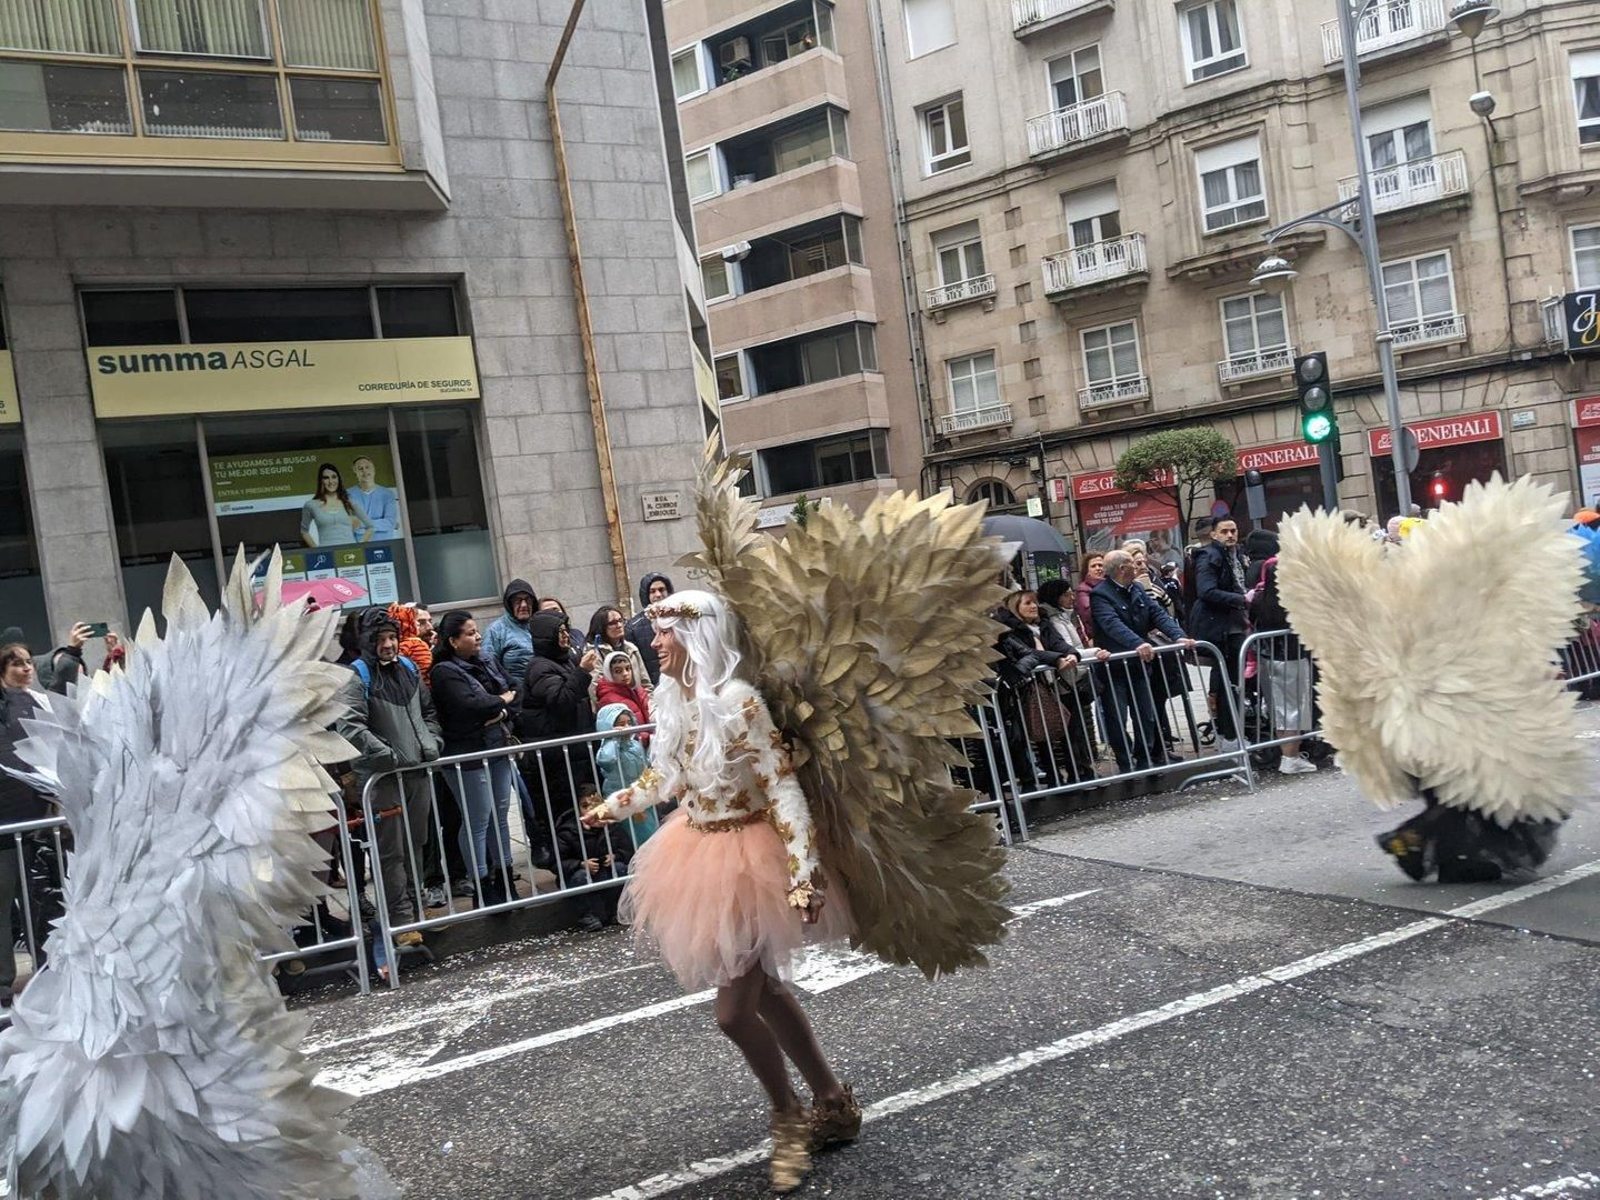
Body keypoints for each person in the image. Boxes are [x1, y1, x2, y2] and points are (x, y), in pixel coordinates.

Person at [583, 592, 857, 1192]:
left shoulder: (739, 702)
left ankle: (788, 1117)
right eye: (653, 634)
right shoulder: (675, 699)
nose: (653, 643)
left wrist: (805, 870)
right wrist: (615, 805)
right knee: (769, 992)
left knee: (735, 1012)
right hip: (698, 849)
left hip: (752, 863)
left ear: (698, 636)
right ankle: (832, 1100)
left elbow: (783, 789)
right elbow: (669, 777)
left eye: (664, 634)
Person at [1279, 478, 1582, 882]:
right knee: (1482, 792)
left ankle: (1432, 847)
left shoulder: (1395, 601)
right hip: (1433, 716)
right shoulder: (1400, 603)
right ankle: (1420, 841)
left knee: (1470, 791)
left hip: (1417, 715)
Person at [335, 609, 443, 976]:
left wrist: (432, 742)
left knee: (416, 844)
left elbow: (428, 711)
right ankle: (401, 922)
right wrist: (387, 756)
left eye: (391, 637)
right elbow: (349, 725)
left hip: (414, 772)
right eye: (380, 639)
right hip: (383, 780)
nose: (388, 644)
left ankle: (412, 915)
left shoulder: (409, 669)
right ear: (368, 641)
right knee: (390, 853)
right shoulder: (358, 676)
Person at [428, 611, 518, 904]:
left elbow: (515, 690)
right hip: (466, 753)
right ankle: (482, 884)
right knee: (478, 820)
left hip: (496, 746)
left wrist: (501, 708)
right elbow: (471, 706)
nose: (477, 636)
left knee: (500, 817)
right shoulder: (444, 671)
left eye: (476, 631)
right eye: (469, 633)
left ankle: (505, 877)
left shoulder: (486, 661)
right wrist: (499, 702)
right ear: (453, 641)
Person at [1091, 550, 1195, 774]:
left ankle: (1145, 757)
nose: (1139, 566)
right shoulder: (1101, 595)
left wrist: (1179, 635)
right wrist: (1137, 643)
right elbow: (1111, 624)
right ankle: (1125, 763)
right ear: (1121, 569)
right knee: (1117, 717)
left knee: (1146, 714)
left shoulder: (1137, 588)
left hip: (1139, 665)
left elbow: (1158, 614)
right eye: (1131, 562)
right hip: (1115, 668)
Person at [0, 643, 61, 1007]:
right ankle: (4, 983)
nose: (25, 669)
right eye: (16, 663)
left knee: (44, 901)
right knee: (5, 902)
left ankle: (52, 971)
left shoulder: (42, 703)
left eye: (28, 662)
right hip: (7, 828)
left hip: (40, 822)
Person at [993, 590, 1101, 784]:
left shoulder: (1044, 623)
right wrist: (1057, 659)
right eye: (1027, 603)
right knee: (1041, 736)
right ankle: (1049, 778)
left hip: (1057, 685)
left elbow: (1058, 643)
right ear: (1015, 607)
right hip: (1030, 689)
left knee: (1070, 729)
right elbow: (1030, 654)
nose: (1034, 606)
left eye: (1035, 602)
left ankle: (1079, 773)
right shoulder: (1011, 630)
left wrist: (1071, 654)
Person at [1248, 556, 1318, 775]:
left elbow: (1251, 619)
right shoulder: (1294, 601)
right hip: (1292, 656)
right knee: (1295, 708)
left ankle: (1289, 755)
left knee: (1280, 709)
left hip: (1268, 657)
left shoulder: (1260, 599)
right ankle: (1290, 757)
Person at [1187, 517, 1251, 751]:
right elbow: (1206, 591)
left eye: (1233, 530)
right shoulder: (1210, 556)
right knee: (1227, 683)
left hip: (1232, 624)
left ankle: (1232, 733)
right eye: (1224, 531)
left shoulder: (1234, 554)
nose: (1230, 535)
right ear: (1214, 534)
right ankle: (1229, 736)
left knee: (1231, 681)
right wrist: (1241, 599)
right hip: (1220, 627)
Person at [595, 703, 658, 848]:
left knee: (652, 833)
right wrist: (613, 738)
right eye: (621, 724)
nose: (627, 727)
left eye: (629, 723)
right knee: (639, 838)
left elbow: (646, 765)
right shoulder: (607, 748)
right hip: (621, 799)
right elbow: (607, 760)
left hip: (641, 794)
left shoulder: (635, 744)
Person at [300, 462, 374, 548]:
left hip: (351, 554)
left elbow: (370, 527)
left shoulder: (349, 502)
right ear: (321, 480)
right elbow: (304, 532)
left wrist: (359, 546)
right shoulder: (311, 505)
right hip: (327, 555)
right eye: (326, 478)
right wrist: (317, 551)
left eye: (334, 477)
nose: (331, 481)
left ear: (338, 479)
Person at [586, 605, 651, 696]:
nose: (619, 625)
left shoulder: (631, 648)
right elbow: (595, 688)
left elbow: (645, 683)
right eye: (613, 623)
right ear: (601, 627)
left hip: (639, 703)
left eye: (621, 621)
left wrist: (649, 705)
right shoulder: (595, 652)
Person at [484, 578, 538, 685]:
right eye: (518, 601)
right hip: (516, 694)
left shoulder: (540, 624)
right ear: (509, 604)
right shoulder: (496, 630)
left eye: (528, 600)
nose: (524, 605)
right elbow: (488, 666)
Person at [626, 572, 674, 685]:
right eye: (652, 591)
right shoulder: (633, 627)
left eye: (662, 590)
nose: (658, 595)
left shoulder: (680, 619)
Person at [594, 650, 652, 734]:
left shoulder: (637, 691)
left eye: (628, 669)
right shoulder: (609, 700)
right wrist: (645, 738)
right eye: (618, 671)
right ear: (609, 674)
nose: (625, 674)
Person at [350, 455, 401, 540]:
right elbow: (350, 525)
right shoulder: (348, 494)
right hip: (359, 546)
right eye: (360, 469)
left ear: (373, 469)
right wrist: (381, 524)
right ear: (355, 472)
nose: (365, 471)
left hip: (386, 544)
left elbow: (390, 523)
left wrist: (362, 524)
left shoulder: (387, 494)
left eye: (367, 467)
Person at [1074, 553, 1105, 632]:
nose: (1098, 568)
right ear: (1087, 570)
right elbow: (1088, 615)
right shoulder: (1083, 589)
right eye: (1093, 566)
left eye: (1100, 565)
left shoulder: (1111, 584)